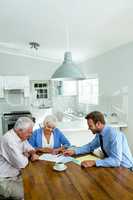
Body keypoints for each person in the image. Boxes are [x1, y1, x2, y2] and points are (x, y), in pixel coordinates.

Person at [64, 111, 133, 169]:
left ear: (98, 124)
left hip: (125, 168)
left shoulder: (114, 135)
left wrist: (94, 162)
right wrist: (74, 151)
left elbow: (116, 161)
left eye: (90, 126)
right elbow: (90, 146)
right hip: (113, 166)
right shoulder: (100, 133)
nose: (89, 128)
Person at [0, 117, 39, 200]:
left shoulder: (21, 136)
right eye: (29, 132)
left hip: (17, 175)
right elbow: (21, 164)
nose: (30, 135)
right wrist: (27, 156)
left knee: (37, 184)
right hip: (5, 180)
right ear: (20, 130)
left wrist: (29, 153)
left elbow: (30, 148)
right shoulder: (9, 140)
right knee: (30, 193)